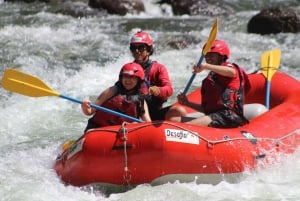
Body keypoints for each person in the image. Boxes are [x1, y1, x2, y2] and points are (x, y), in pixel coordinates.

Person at [176, 40, 250, 128]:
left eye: (212, 55)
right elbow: (206, 109)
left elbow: (232, 72)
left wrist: (206, 66)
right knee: (174, 121)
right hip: (215, 116)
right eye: (207, 55)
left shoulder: (229, 67)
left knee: (186, 127)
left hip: (228, 116)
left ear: (221, 56)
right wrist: (188, 103)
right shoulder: (210, 79)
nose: (208, 58)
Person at [129, 31, 186, 120]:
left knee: (180, 111)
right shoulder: (128, 69)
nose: (137, 51)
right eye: (133, 48)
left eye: (140, 47)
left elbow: (169, 89)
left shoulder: (158, 68)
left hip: (155, 113)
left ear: (148, 50)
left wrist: (156, 90)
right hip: (135, 115)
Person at [81, 62, 151, 133]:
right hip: (100, 130)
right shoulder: (111, 91)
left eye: (132, 77)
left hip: (122, 133)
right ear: (121, 78)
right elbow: (89, 111)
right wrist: (85, 106)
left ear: (138, 80)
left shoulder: (141, 101)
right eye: (125, 76)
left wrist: (136, 125)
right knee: (90, 131)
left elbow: (148, 124)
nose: (127, 80)